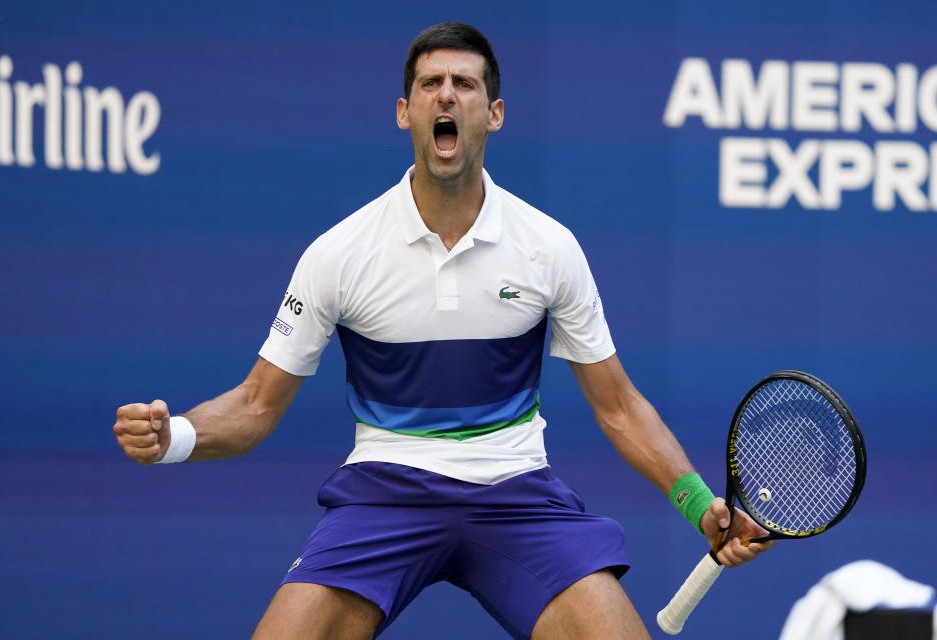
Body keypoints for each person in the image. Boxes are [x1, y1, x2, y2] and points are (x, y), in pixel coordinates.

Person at [113, 22, 773, 640]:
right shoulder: (339, 253)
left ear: (494, 113)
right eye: (431, 84)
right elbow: (256, 405)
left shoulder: (548, 248)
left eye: (465, 84)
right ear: (406, 112)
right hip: (385, 495)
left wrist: (698, 505)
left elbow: (620, 405)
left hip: (516, 494)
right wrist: (177, 438)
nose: (446, 96)